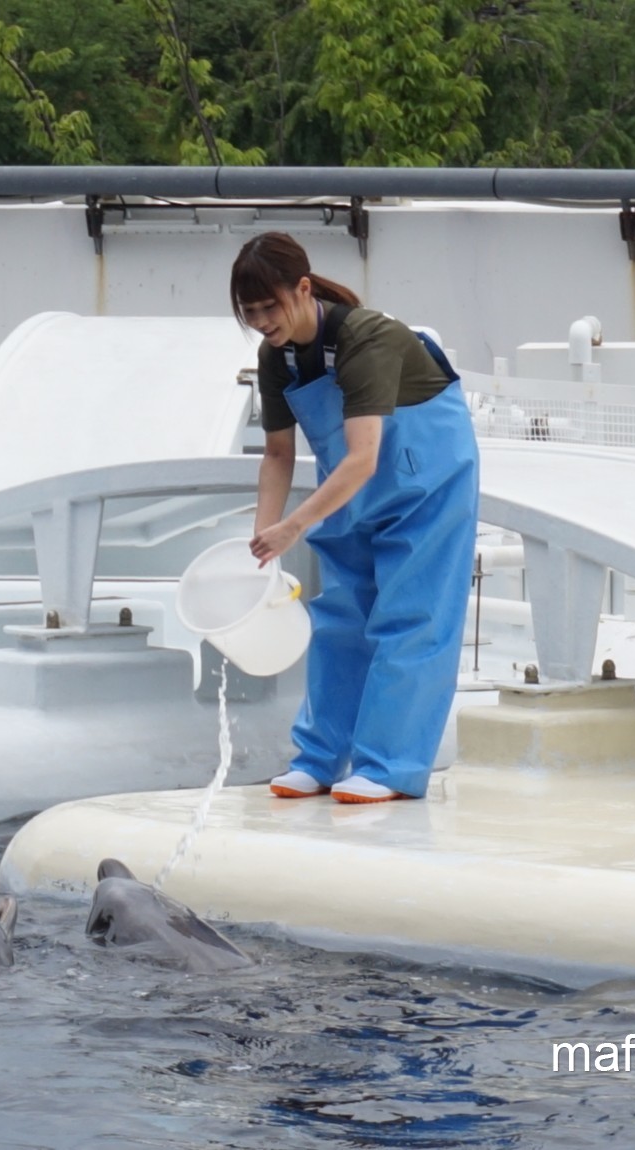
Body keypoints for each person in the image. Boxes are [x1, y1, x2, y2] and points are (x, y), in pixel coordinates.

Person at [232, 232, 479, 804]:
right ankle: (318, 757)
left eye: (271, 306)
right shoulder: (276, 358)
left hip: (426, 480)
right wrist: (262, 542)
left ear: (302, 287)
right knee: (340, 617)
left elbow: (366, 454)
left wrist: (294, 526)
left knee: (410, 618)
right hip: (348, 488)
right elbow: (277, 455)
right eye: (251, 313)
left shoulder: (365, 337)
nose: (263, 320)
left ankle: (388, 766)